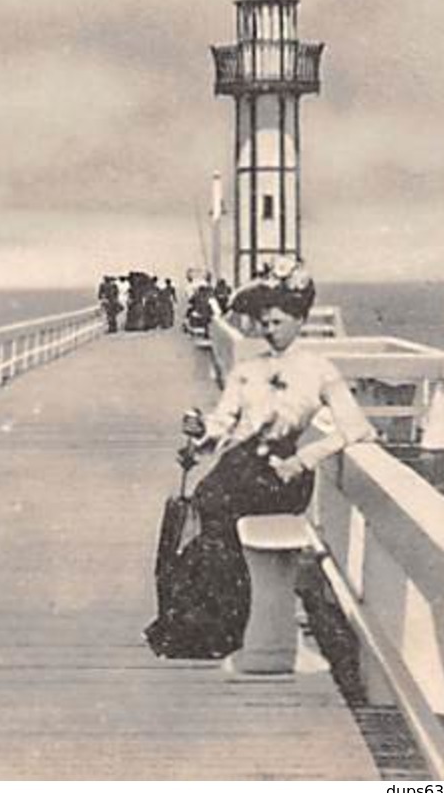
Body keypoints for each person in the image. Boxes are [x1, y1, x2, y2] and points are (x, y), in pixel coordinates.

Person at [144, 258, 377, 659]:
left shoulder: (319, 371)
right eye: (265, 323)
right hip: (241, 464)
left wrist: (305, 457)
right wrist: (201, 436)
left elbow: (357, 428)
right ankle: (208, 623)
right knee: (205, 501)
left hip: (282, 473)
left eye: (278, 322)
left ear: (299, 320)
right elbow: (225, 421)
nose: (270, 330)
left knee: (219, 509)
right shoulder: (248, 370)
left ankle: (223, 625)